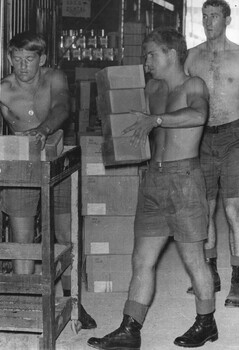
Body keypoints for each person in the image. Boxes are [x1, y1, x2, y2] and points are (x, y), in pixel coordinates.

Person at [87, 28, 218, 349]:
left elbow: (199, 114)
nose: (146, 61)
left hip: (185, 180)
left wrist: (155, 121)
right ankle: (129, 329)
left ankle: (206, 322)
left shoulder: (194, 85)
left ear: (171, 53)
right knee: (141, 259)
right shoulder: (154, 89)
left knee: (193, 259)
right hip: (153, 180)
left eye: (151, 54)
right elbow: (128, 113)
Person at [0, 31, 96, 329]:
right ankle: (25, 304)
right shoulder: (3, 89)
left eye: (29, 59)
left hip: (56, 158)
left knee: (65, 234)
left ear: (41, 59)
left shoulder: (54, 78)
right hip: (21, 165)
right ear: (9, 58)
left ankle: (74, 301)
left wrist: (42, 131)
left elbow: (62, 108)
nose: (23, 66)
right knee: (23, 240)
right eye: (16, 59)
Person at [184, 0, 239, 307]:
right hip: (201, 137)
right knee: (204, 208)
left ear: (227, 19)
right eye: (205, 17)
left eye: (214, 16)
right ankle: (211, 274)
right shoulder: (192, 58)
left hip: (235, 136)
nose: (208, 22)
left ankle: (238, 280)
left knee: (234, 210)